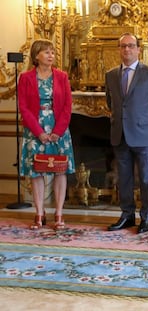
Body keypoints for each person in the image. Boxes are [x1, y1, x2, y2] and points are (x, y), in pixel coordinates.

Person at [105, 33, 148, 234]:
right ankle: (127, 215)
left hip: (143, 134)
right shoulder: (111, 75)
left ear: (139, 49)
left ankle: (146, 217)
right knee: (124, 178)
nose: (127, 50)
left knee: (147, 178)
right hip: (119, 134)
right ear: (119, 49)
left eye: (131, 46)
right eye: (123, 46)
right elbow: (111, 103)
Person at [18, 39, 76, 230]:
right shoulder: (25, 77)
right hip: (35, 129)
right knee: (36, 171)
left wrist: (57, 131)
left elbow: (68, 106)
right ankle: (39, 213)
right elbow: (24, 108)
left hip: (59, 129)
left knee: (60, 170)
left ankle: (58, 214)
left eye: (52, 52)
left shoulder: (62, 76)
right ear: (36, 56)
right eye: (46, 52)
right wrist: (39, 132)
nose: (51, 55)